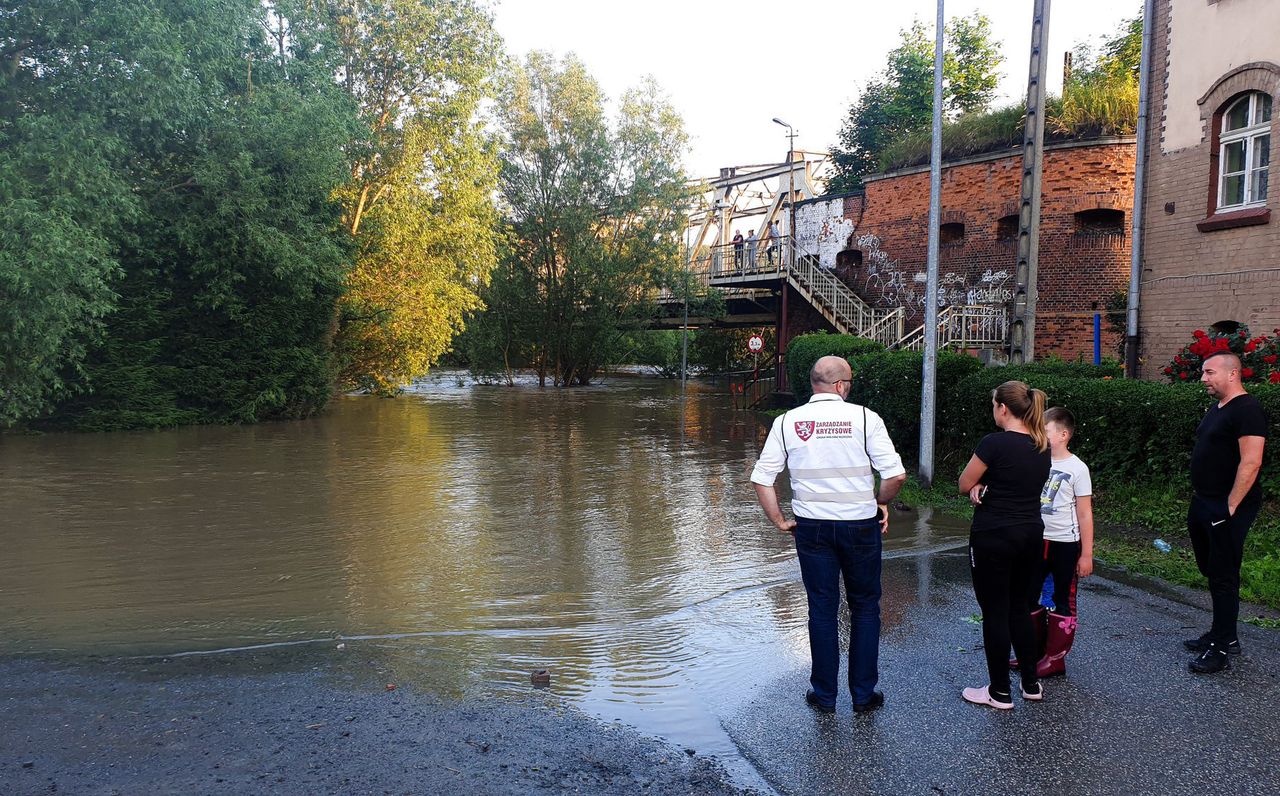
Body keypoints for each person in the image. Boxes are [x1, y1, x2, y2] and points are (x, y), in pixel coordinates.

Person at [751, 355, 907, 714]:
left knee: (822, 609)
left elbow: (762, 477)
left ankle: (824, 696)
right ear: (840, 386)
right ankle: (864, 696)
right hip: (860, 527)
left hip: (812, 529)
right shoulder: (866, 418)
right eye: (848, 383)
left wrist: (778, 520)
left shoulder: (787, 422)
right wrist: (879, 503)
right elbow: (896, 475)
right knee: (865, 608)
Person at [957, 381, 1051, 709]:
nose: (993, 410)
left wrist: (978, 485)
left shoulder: (993, 443)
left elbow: (964, 482)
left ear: (1003, 409)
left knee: (995, 611)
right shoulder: (1043, 446)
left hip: (994, 534)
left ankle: (998, 692)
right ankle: (1031, 684)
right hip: (1030, 533)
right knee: (1020, 609)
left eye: (994, 404)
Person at [1184, 351, 1267, 674]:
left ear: (1233, 374)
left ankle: (1221, 647)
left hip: (1226, 505)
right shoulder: (1219, 408)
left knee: (1223, 573)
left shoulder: (1248, 410)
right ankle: (1225, 633)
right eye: (1203, 372)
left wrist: (1231, 504)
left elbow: (1252, 460)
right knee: (1210, 567)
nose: (1203, 378)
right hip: (1203, 500)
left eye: (1209, 372)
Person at [1028, 406, 1094, 678]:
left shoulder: (1077, 468)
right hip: (1034, 540)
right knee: (1029, 596)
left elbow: (1085, 512)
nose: (1038, 436)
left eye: (1044, 431)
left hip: (1065, 544)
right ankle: (1030, 653)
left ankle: (1055, 659)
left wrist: (1086, 554)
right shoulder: (1035, 460)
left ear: (1063, 434)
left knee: (1061, 599)